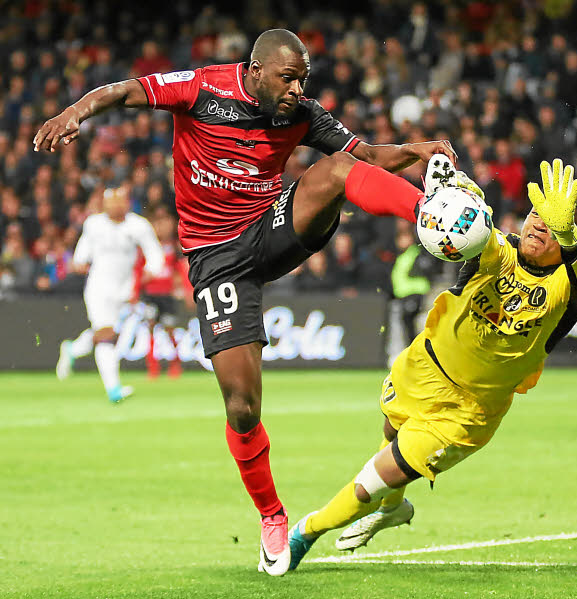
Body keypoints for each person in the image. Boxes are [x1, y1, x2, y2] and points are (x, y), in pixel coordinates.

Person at [34, 29, 456, 576]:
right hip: (216, 259)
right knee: (242, 406)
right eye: (288, 77)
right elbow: (125, 91)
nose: (297, 88)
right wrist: (75, 112)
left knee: (336, 171)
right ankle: (272, 516)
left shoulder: (301, 113)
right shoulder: (202, 89)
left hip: (271, 226)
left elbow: (368, 155)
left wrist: (416, 152)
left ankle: (429, 214)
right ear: (255, 71)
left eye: (303, 78)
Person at [287, 159, 577, 569]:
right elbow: (471, 223)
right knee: (391, 429)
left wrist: (571, 238)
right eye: (534, 215)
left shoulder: (567, 288)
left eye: (552, 225)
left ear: (568, 237)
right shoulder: (497, 251)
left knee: (373, 480)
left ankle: (304, 532)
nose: (538, 226)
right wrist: (453, 187)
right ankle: (393, 510)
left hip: (467, 411)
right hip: (424, 367)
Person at [56, 187, 164, 402]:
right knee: (106, 336)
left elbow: (154, 251)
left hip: (125, 291)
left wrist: (152, 270)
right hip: (98, 289)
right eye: (112, 202)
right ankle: (114, 390)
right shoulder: (94, 224)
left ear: (127, 202)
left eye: (120, 201)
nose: (116, 206)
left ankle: (72, 349)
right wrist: (78, 262)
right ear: (104, 204)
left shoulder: (138, 225)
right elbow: (81, 254)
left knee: (106, 334)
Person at [133, 209, 192, 379]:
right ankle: (153, 367)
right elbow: (138, 271)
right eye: (158, 223)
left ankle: (175, 364)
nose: (162, 227)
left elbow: (180, 269)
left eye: (165, 222)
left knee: (170, 330)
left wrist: (187, 289)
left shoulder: (174, 247)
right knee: (150, 328)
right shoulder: (146, 249)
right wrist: (136, 291)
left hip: (167, 295)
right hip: (151, 295)